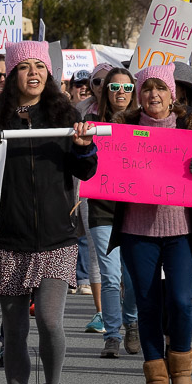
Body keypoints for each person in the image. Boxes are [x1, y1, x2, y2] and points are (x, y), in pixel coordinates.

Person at [0, 41, 97, 384]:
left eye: (40, 65)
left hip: (58, 239)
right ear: (11, 75)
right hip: (9, 240)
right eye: (24, 66)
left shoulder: (65, 115)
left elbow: (87, 171)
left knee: (50, 320)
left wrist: (83, 146)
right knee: (15, 330)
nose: (33, 72)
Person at [112, 64, 192, 384]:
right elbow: (104, 170)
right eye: (147, 89)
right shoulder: (124, 129)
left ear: (173, 95)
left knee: (181, 301)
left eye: (160, 89)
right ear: (139, 95)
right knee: (148, 303)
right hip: (138, 231)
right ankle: (157, 379)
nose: (154, 95)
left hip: (181, 230)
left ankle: (181, 373)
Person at [83, 68, 139, 357]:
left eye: (127, 88)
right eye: (115, 87)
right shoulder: (91, 123)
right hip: (102, 208)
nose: (121, 92)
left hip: (136, 211)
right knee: (110, 274)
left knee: (132, 277)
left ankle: (132, 323)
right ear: (105, 91)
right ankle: (112, 335)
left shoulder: (144, 124)